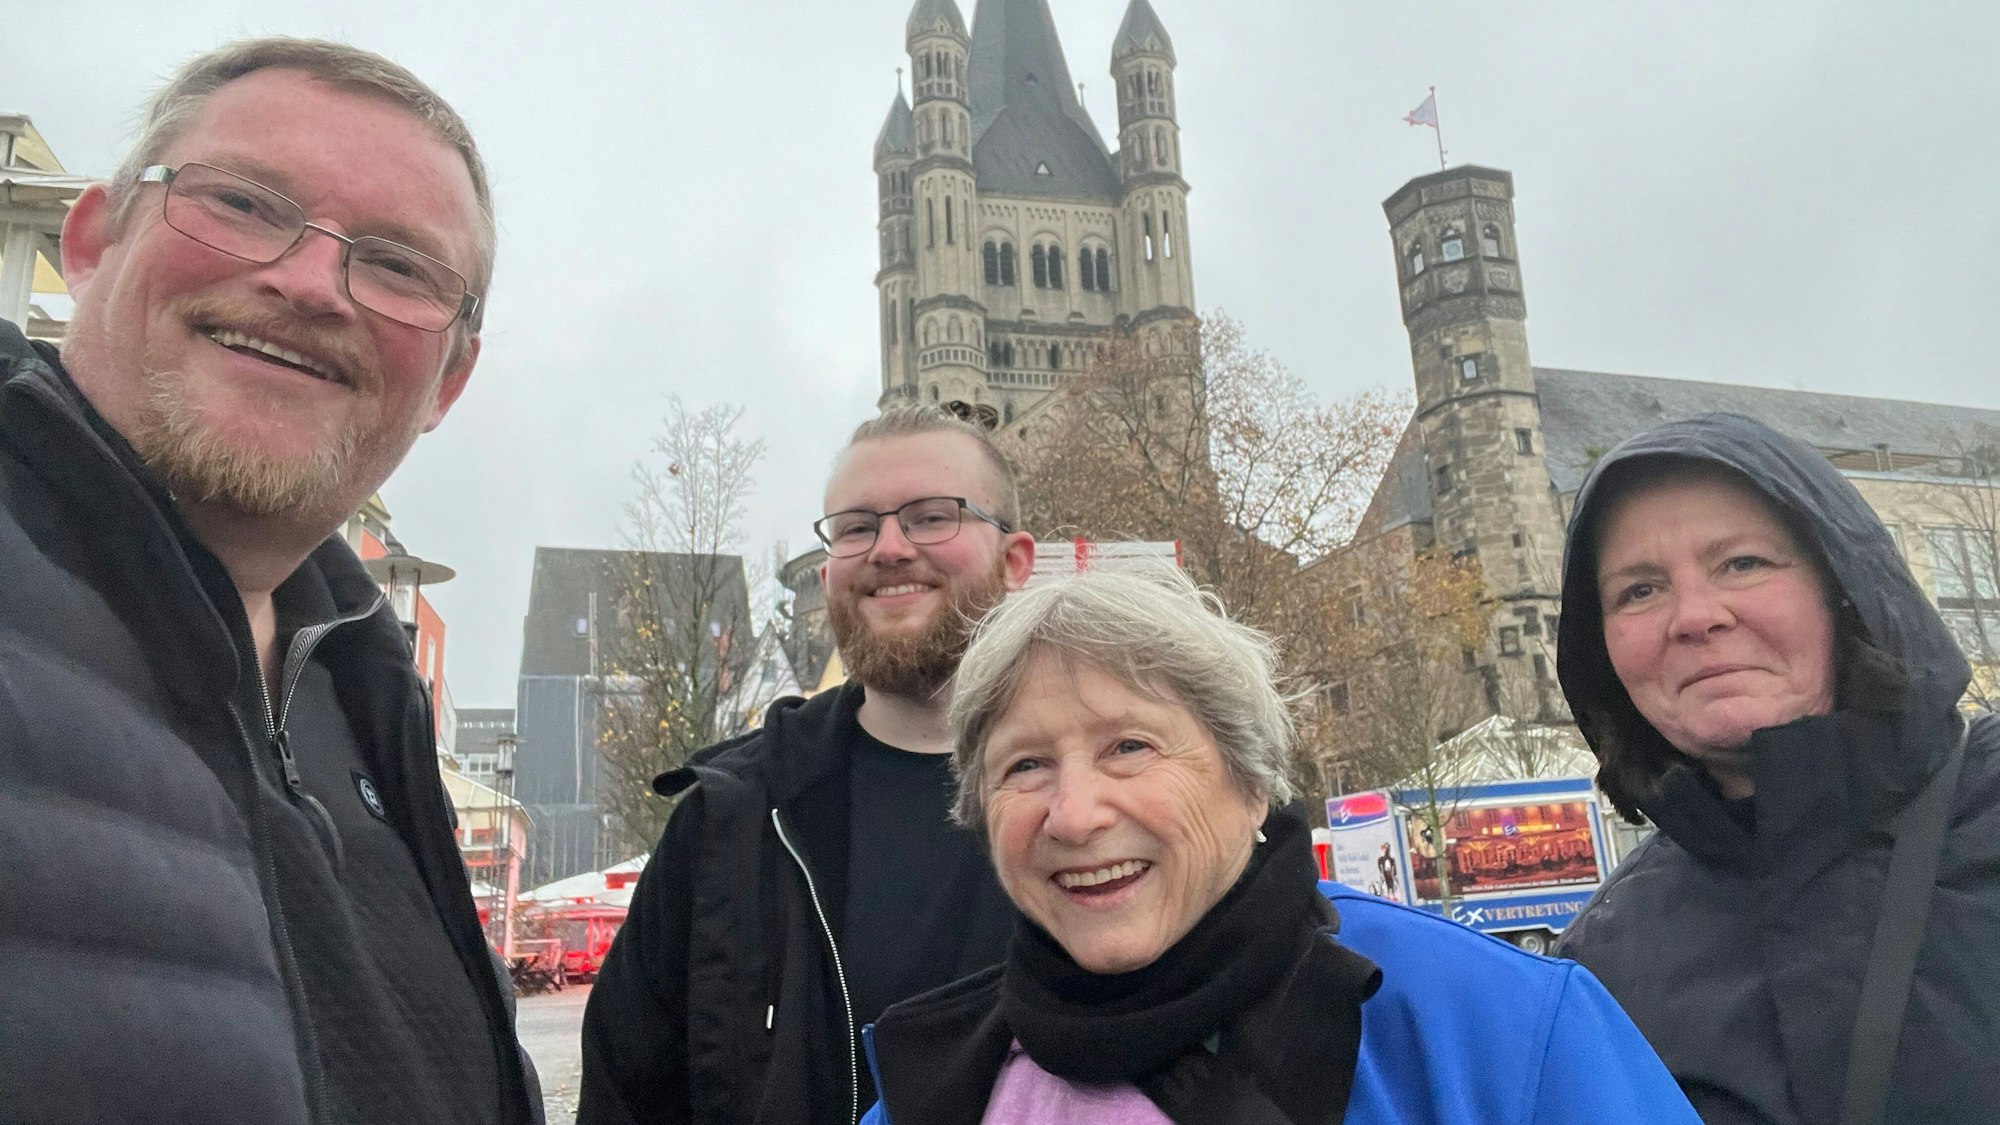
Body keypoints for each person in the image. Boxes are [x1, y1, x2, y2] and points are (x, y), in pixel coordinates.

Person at [0, 39, 539, 1125]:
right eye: (242, 203)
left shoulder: (367, 701)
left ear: (450, 381)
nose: (308, 283)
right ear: (93, 240)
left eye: (398, 266)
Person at [861, 567, 1698, 1124]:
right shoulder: (926, 1085)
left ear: (1251, 778)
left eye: (1130, 746)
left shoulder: (1500, 1028)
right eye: (1025, 765)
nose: (1074, 815)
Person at [580, 406, 1037, 1125]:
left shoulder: (1113, 804)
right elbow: (626, 1096)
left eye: (931, 517)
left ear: (1015, 563)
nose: (889, 547)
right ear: (828, 572)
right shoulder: (728, 822)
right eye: (856, 527)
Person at [1552, 412, 2000, 1124]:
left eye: (1742, 563)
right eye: (1639, 590)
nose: (1694, 616)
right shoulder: (1598, 968)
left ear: (1843, 584)